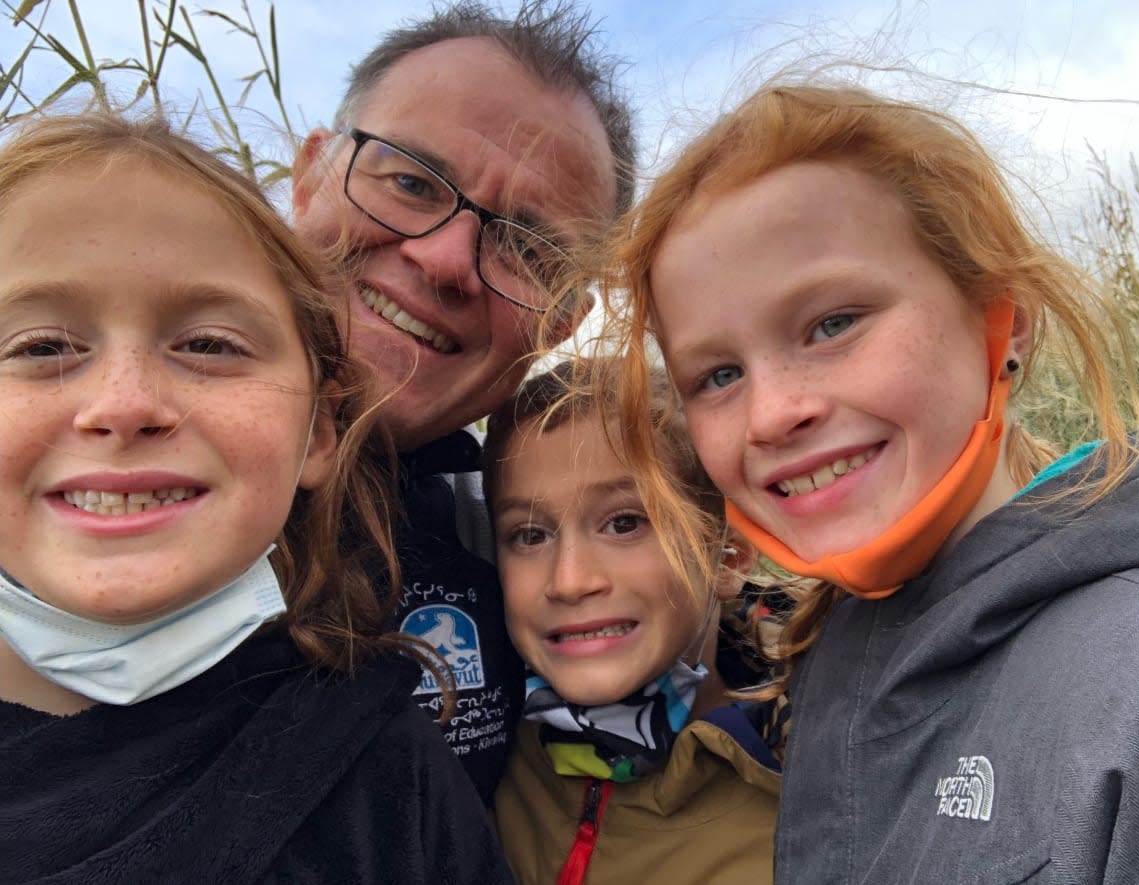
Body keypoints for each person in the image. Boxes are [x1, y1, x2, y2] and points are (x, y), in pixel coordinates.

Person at [599, 81, 1139, 883]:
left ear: (1001, 316)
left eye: (833, 323)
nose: (771, 413)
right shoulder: (835, 650)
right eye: (719, 374)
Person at [0, 112, 514, 884]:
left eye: (209, 345)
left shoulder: (388, 776)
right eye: (40, 347)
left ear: (318, 430)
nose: (123, 401)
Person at [290, 0, 635, 805]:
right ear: (310, 174)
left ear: (564, 321)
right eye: (410, 181)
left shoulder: (525, 557)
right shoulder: (58, 461)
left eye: (524, 246)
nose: (446, 258)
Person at [485, 361, 780, 885]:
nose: (570, 581)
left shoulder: (802, 801)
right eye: (529, 535)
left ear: (729, 556)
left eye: (625, 523)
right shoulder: (483, 751)